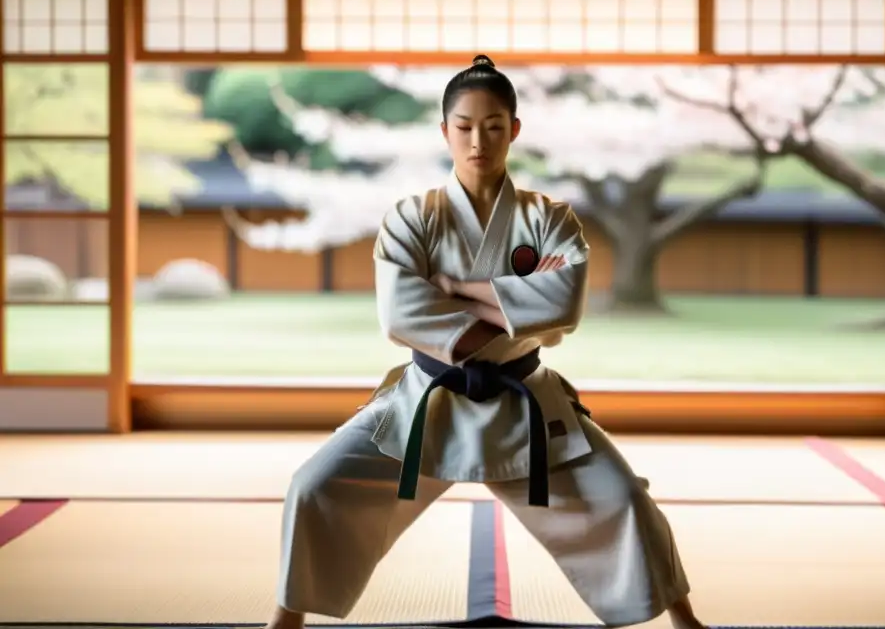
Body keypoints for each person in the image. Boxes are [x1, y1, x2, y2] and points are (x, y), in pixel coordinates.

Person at [263, 55, 706, 629]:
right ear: (444, 130)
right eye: (465, 126)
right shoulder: (411, 219)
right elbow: (401, 315)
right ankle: (285, 622)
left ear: (514, 130)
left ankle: (685, 622)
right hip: (428, 403)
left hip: (527, 406)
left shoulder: (550, 220)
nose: (479, 141)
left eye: (494, 126)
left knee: (623, 498)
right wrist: (515, 305)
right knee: (314, 486)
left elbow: (562, 309)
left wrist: (451, 287)